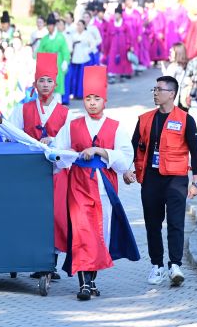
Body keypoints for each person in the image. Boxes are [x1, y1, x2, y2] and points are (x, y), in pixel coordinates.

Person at [54, 65, 139, 300]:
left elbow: (125, 158)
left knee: (100, 232)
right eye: (88, 98)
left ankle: (91, 280)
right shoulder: (72, 125)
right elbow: (58, 152)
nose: (92, 103)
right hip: (78, 185)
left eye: (96, 98)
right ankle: (84, 284)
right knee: (82, 231)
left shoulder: (116, 127)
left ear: (105, 100)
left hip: (104, 186)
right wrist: (65, 154)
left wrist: (100, 151)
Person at [122, 75, 197, 287]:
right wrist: (127, 170)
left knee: (176, 223)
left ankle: (175, 265)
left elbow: (195, 152)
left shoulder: (186, 119)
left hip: (176, 179)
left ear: (172, 94)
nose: (155, 93)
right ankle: (157, 265)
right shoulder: (145, 119)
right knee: (153, 224)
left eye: (159, 89)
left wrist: (196, 182)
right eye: (154, 89)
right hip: (151, 179)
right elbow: (132, 148)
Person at [9, 53, 71, 279]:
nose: (45, 85)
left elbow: (70, 141)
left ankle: (50, 263)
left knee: (55, 216)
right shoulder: (22, 109)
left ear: (55, 84)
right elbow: (11, 135)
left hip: (56, 171)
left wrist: (53, 141)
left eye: (49, 81)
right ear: (34, 84)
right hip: (29, 171)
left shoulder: (65, 113)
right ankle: (32, 259)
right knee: (31, 214)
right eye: (41, 81)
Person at [37, 14, 71, 105]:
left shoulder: (60, 37)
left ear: (54, 26)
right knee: (48, 84)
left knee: (57, 84)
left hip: (58, 62)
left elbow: (65, 50)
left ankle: (58, 104)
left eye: (51, 25)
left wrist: (65, 61)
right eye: (48, 26)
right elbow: (39, 52)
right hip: (47, 64)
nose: (49, 28)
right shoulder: (45, 39)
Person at [68, 19, 97, 99]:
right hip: (75, 58)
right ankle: (74, 93)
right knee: (75, 77)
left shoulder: (87, 34)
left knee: (82, 77)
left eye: (80, 25)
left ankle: (82, 94)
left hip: (84, 58)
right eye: (78, 25)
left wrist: (87, 51)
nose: (79, 27)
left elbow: (93, 44)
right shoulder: (74, 35)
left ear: (84, 26)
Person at [105, 5, 133, 82]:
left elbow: (129, 36)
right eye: (115, 14)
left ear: (120, 15)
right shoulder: (111, 25)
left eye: (117, 14)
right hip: (113, 46)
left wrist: (129, 45)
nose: (116, 16)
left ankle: (122, 74)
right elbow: (107, 36)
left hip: (123, 46)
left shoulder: (125, 25)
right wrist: (106, 46)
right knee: (112, 60)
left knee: (123, 60)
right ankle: (112, 75)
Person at [162, 42, 189, 111]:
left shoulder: (173, 67)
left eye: (172, 51)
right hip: (184, 99)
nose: (170, 53)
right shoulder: (187, 65)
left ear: (178, 53)